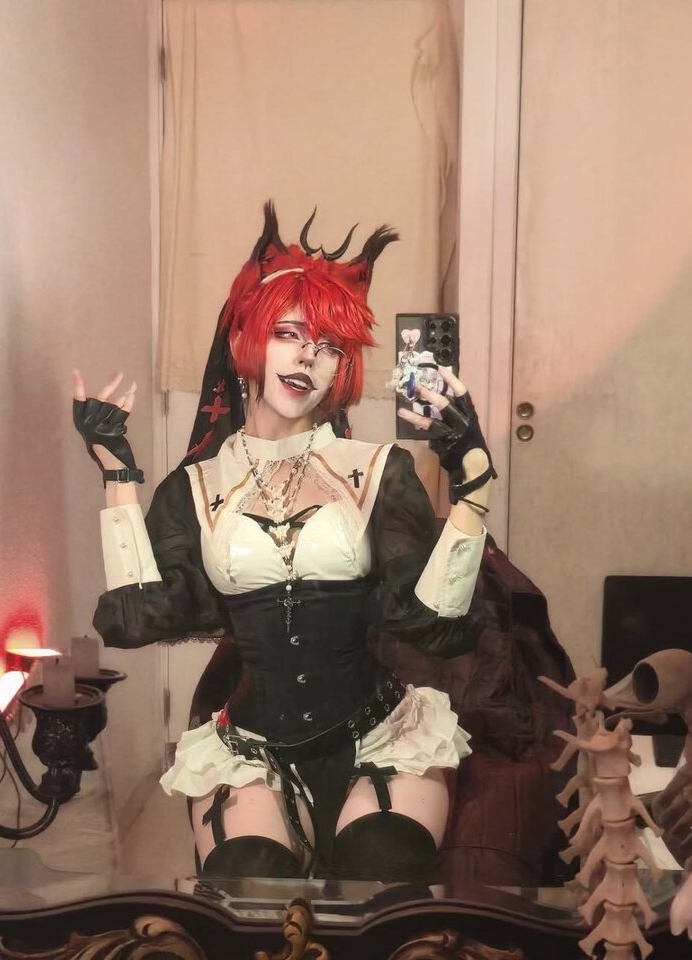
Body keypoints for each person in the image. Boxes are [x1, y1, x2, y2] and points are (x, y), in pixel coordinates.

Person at [73, 203, 496, 881]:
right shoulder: (194, 488)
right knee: (248, 883)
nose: (308, 357)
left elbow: (436, 625)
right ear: (248, 336)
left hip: (381, 739)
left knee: (381, 876)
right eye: (289, 333)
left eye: (329, 346)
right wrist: (118, 477)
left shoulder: (376, 469)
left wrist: (472, 488)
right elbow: (139, 617)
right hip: (250, 750)